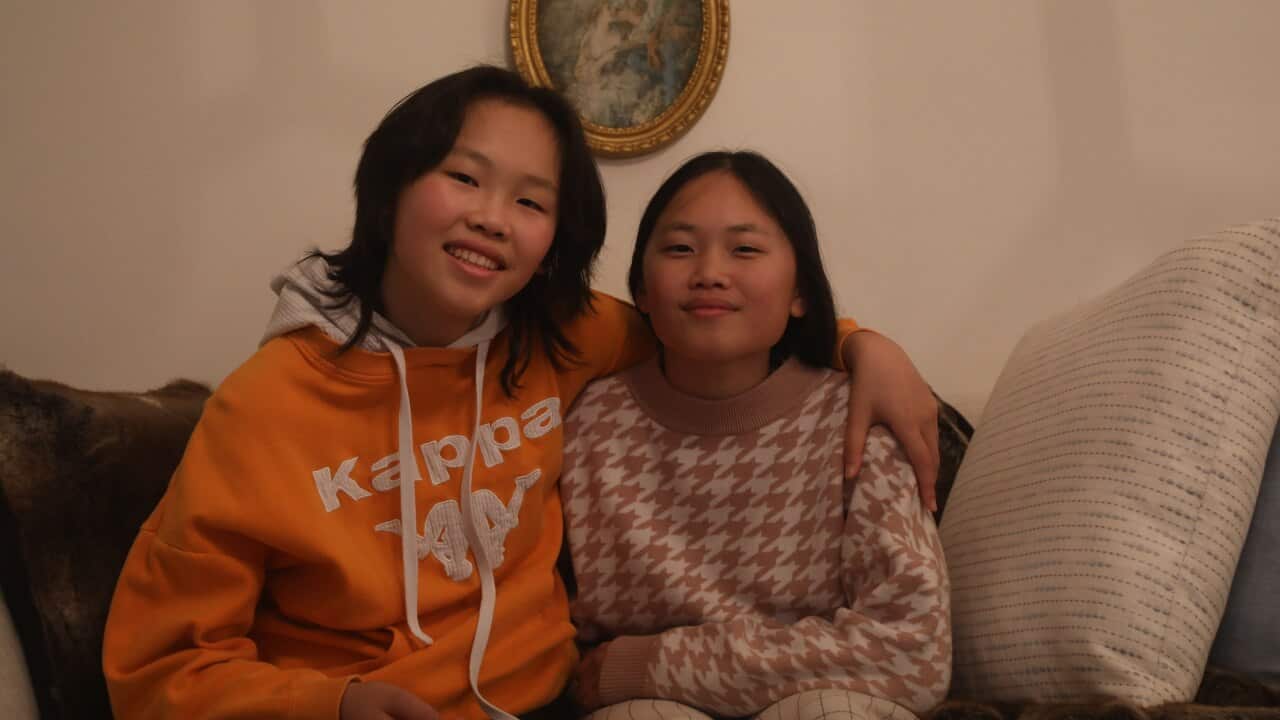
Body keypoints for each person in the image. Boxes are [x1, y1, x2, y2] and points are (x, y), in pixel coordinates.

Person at [102, 66, 938, 720]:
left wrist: (860, 342)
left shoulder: (562, 335)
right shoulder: (265, 405)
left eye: (530, 200)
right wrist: (330, 703)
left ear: (551, 241)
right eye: (465, 179)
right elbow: (158, 670)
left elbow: (714, 321)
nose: (493, 219)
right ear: (390, 189)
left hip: (541, 702)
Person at [561, 151, 951, 720]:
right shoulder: (586, 422)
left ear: (802, 293)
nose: (710, 272)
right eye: (679, 248)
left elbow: (913, 654)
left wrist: (648, 664)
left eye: (745, 249)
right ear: (641, 290)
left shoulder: (861, 415)